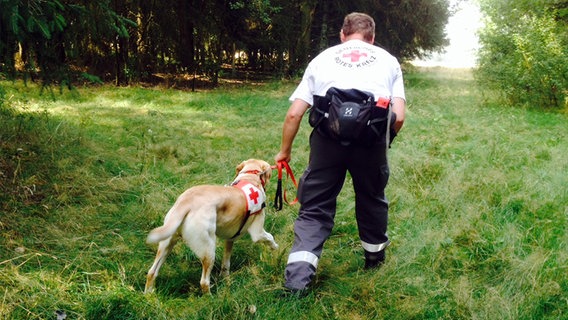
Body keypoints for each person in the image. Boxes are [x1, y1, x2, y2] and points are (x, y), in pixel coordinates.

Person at [274, 12, 406, 294]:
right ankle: (374, 260)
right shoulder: (388, 60)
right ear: (372, 38)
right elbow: (399, 117)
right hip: (371, 143)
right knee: (371, 199)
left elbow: (294, 114)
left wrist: (284, 152)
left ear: (343, 35)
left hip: (326, 143)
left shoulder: (322, 59)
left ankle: (297, 281)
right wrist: (383, 143)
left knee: (315, 207)